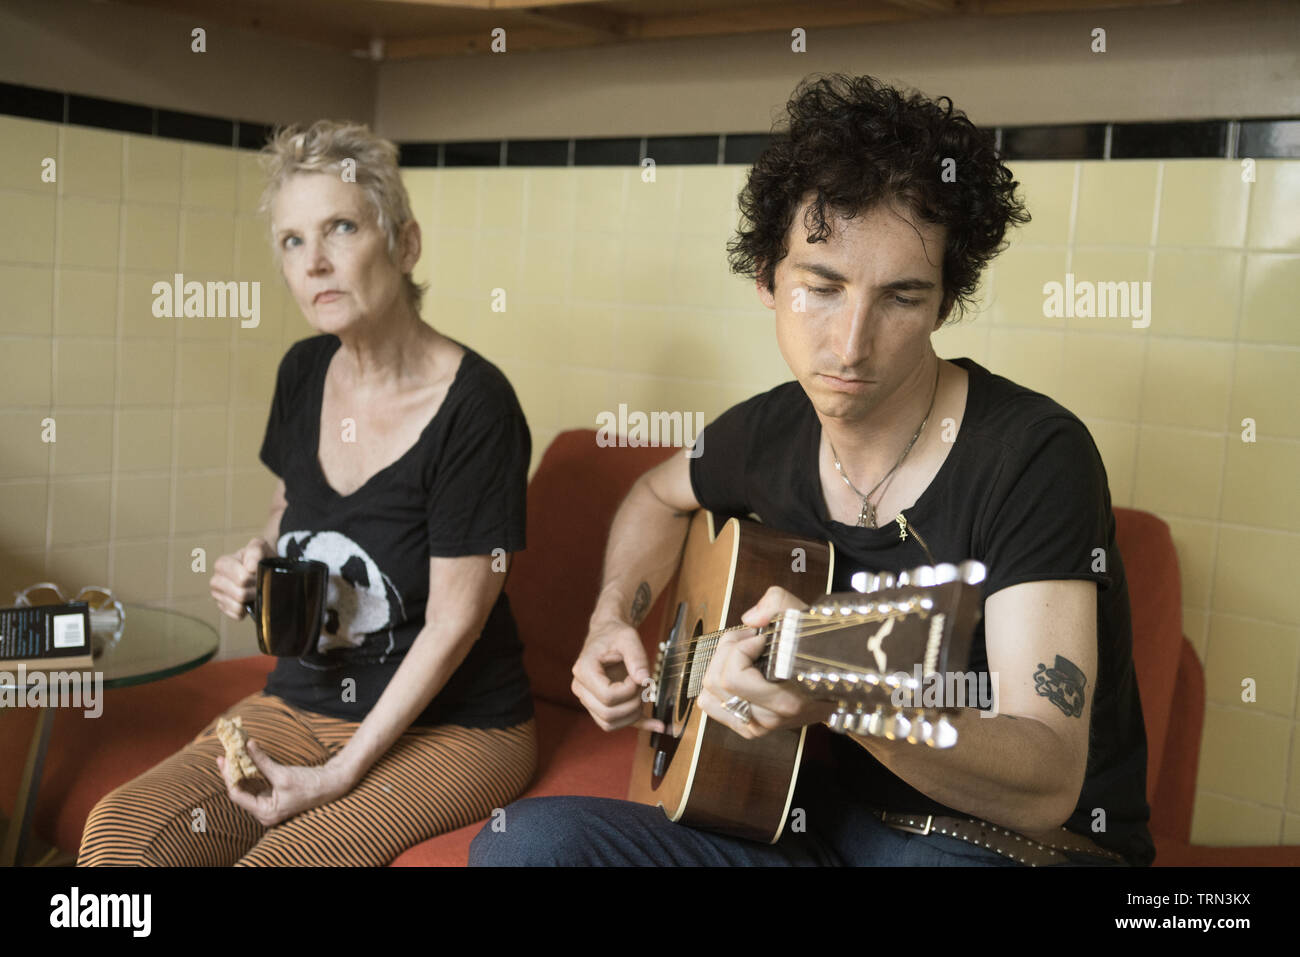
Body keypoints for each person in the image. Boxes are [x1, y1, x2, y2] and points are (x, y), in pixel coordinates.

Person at [469, 74, 1153, 867]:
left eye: (901, 297)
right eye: (822, 288)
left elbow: (1047, 774)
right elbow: (653, 497)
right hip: (804, 821)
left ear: (943, 302)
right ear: (767, 278)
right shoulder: (767, 431)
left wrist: (839, 691)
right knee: (526, 847)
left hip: (1003, 846)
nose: (852, 343)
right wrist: (612, 616)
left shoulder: (1034, 454)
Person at [78, 120, 537, 866]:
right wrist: (259, 556)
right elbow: (290, 507)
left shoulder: (477, 406)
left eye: (340, 228)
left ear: (405, 244)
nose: (314, 262)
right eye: (292, 241)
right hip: (301, 699)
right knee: (121, 839)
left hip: (457, 728)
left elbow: (456, 623)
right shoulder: (302, 370)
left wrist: (338, 773)